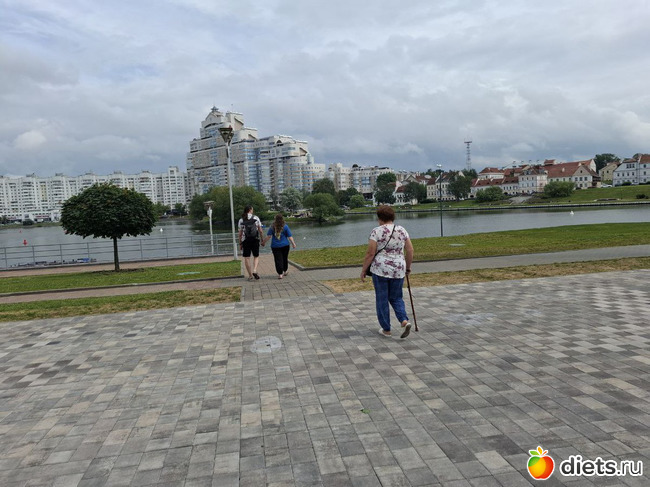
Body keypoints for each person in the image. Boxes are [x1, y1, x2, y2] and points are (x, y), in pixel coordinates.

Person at [360, 205, 414, 339]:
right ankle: (404, 320)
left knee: (382, 298)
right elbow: (410, 250)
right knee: (396, 297)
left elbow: (370, 253)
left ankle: (386, 329)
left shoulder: (376, 231)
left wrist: (364, 270)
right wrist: (407, 267)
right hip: (398, 269)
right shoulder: (402, 230)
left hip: (381, 269)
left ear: (380, 218)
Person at [262, 213, 297, 279]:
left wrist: (263, 242)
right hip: (285, 245)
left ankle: (280, 274)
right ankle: (285, 271)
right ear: (282, 219)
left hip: (275, 246)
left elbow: (269, 236)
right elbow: (290, 236)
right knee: (284, 258)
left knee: (278, 259)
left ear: (275, 219)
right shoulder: (285, 226)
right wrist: (293, 243)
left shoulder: (272, 227)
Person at [238, 205, 264, 280]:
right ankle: (255, 270)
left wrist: (240, 243)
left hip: (245, 240)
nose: (253, 210)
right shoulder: (256, 218)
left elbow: (240, 233)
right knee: (256, 256)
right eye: (252, 209)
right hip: (255, 239)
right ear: (250, 210)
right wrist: (262, 240)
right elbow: (260, 231)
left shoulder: (241, 220)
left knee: (247, 257)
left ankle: (250, 275)